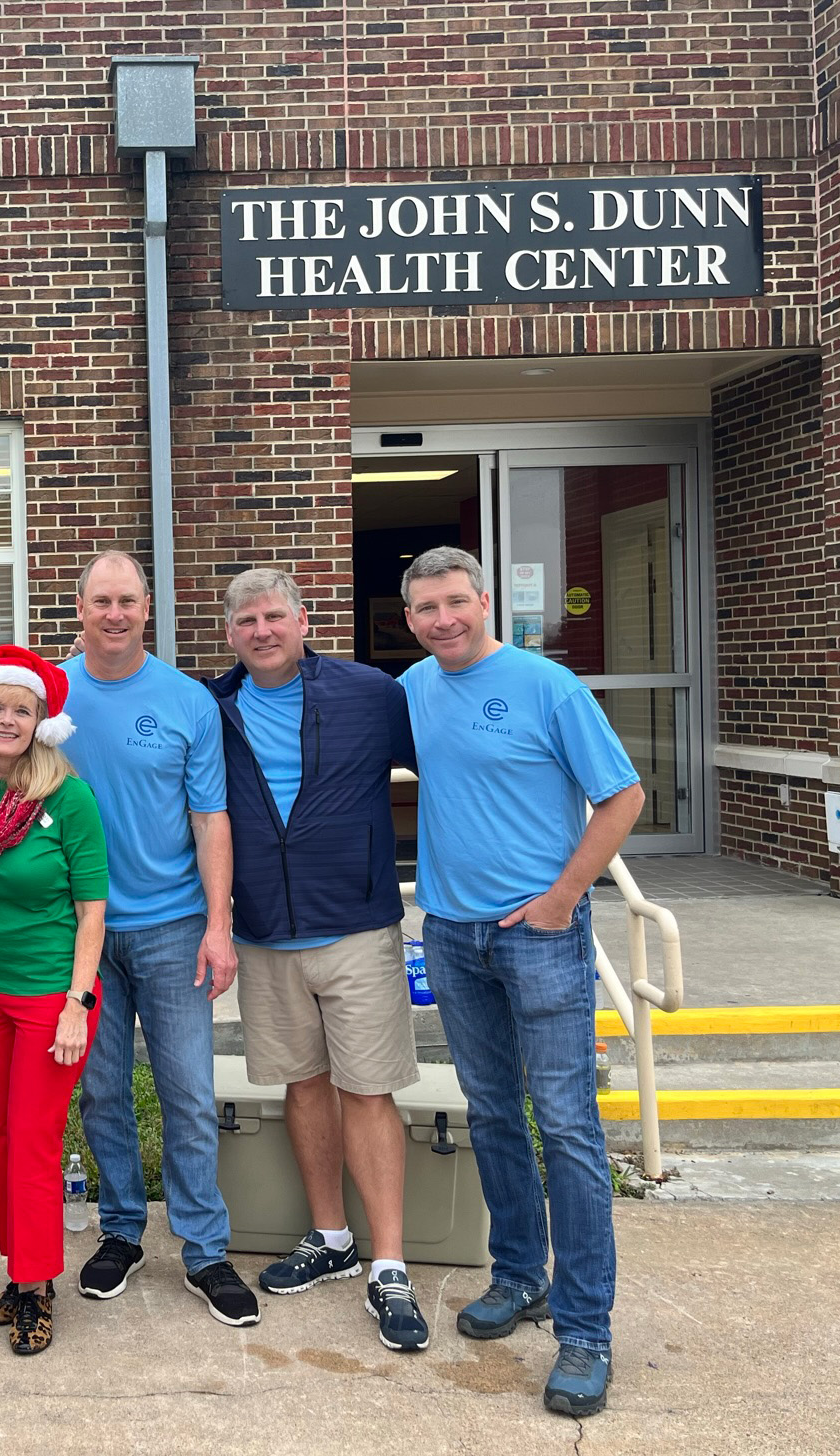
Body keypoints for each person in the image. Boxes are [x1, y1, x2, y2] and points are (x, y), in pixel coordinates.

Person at [399, 546, 644, 1419]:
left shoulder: (548, 686)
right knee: (494, 1112)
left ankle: (586, 1329)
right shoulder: (417, 689)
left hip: (538, 937)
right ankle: (517, 1277)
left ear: (485, 600)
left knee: (569, 1125)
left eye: (456, 603)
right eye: (426, 609)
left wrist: (563, 897)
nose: (443, 620)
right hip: (453, 936)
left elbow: (622, 796)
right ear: (412, 618)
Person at [206, 567, 430, 1351]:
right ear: (229, 633)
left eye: (274, 616)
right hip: (265, 935)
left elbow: (444, 769)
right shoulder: (215, 709)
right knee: (304, 1086)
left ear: (304, 621)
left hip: (357, 928)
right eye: (247, 621)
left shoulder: (370, 693)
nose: (262, 631)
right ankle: (331, 1238)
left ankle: (390, 1264)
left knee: (368, 1090)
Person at [61, 550, 258, 1328]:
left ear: (149, 607)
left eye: (129, 601)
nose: (115, 613)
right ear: (78, 607)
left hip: (174, 926)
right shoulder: (49, 695)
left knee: (188, 1093)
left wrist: (219, 927)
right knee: (102, 1090)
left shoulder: (187, 701)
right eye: (101, 600)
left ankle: (205, 1248)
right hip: (80, 933)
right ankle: (119, 1231)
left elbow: (212, 819)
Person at [0, 646, 106, 1355]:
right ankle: (20, 1271)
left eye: (22, 708)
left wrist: (78, 1002)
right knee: (2, 1136)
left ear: (43, 722)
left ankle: (39, 1288)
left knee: (35, 1142)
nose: (6, 719)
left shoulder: (67, 798)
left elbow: (93, 912)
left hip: (51, 995)